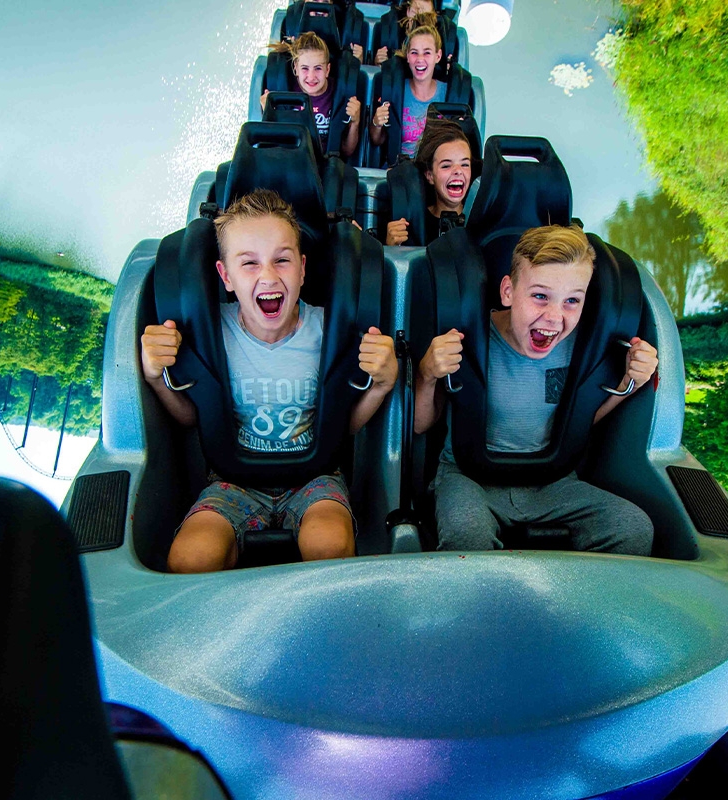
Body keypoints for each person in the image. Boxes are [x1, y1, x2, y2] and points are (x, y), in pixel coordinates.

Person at [140, 189, 397, 573]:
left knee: (329, 546)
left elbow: (343, 425)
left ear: (302, 269)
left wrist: (381, 384)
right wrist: (155, 377)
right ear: (226, 276)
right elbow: (192, 418)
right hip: (233, 479)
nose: (268, 276)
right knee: (191, 558)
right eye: (249, 263)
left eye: (282, 260)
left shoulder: (329, 330)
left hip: (315, 477)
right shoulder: (211, 332)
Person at [413, 225, 658, 555]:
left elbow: (581, 421)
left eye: (572, 301)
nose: (554, 317)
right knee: (467, 535)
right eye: (540, 296)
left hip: (551, 480)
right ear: (508, 292)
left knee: (632, 527)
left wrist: (631, 382)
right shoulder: (469, 338)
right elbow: (420, 425)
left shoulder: (583, 349)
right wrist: (427, 373)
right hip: (469, 476)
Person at [262, 32, 362, 156]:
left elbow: (347, 150)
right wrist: (268, 113)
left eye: (318, 68)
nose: (311, 76)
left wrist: (355, 122)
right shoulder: (283, 91)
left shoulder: (340, 93)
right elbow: (272, 146)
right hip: (289, 159)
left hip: (324, 162)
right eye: (305, 68)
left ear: (327, 70)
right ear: (296, 68)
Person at [385, 118, 471, 246]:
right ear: (430, 176)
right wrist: (390, 248)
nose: (458, 171)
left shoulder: (481, 222)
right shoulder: (412, 224)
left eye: (464, 164)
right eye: (446, 166)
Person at [369, 17, 445, 160]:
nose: (420, 59)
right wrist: (377, 123)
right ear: (408, 57)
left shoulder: (448, 94)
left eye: (427, 53)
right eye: (414, 53)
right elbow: (377, 140)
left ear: (438, 56)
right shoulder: (396, 90)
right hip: (400, 166)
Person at [374, 0, 436, 65]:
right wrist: (380, 64)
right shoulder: (392, 33)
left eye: (426, 16)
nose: (419, 20)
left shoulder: (438, 43)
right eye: (415, 13)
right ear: (408, 11)